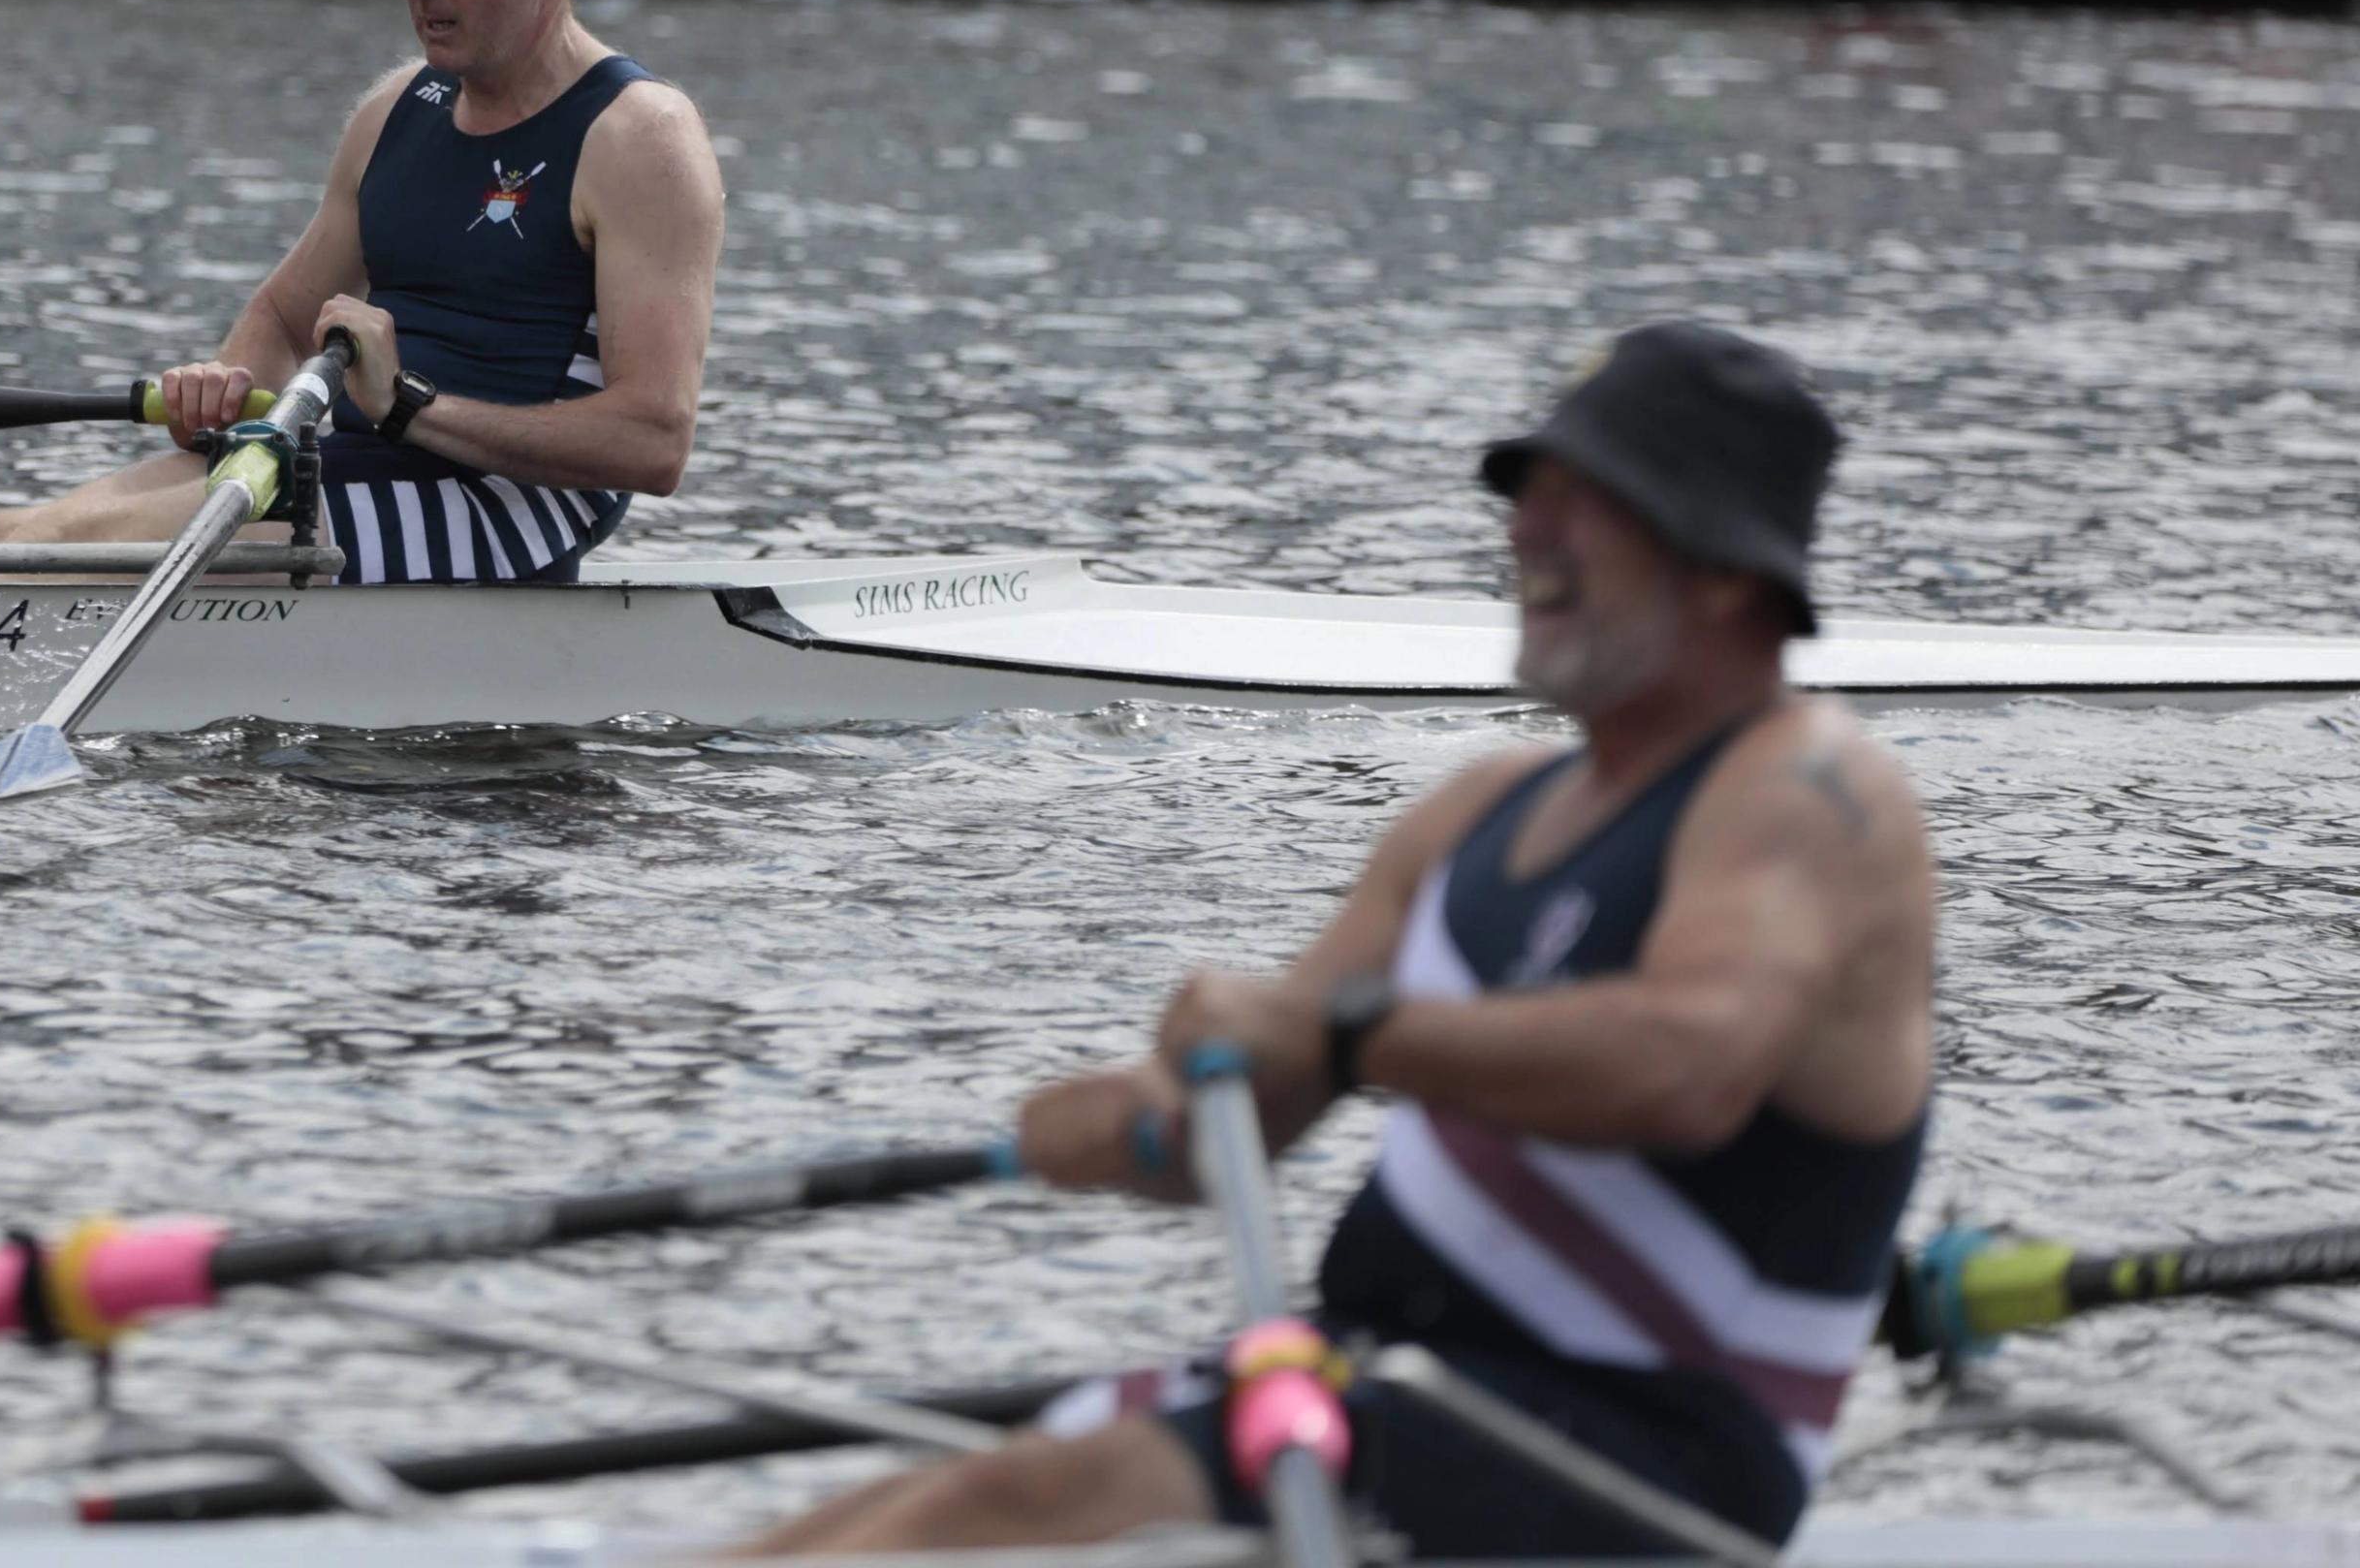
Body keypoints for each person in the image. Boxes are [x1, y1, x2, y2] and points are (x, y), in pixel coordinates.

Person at [744, 323, 1933, 1559]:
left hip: (1639, 1466)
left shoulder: (1806, 790)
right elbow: (1246, 1122)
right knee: (905, 1508)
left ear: (1723, 568)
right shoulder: (1472, 817)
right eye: (1531, 496)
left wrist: (1346, 1033)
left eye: (1587, 503)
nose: (1527, 529)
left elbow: (1685, 1068)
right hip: (1384, 1383)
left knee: (1028, 1505)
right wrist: (1126, 1121)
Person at [0, 0, 721, 583]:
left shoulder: (638, 136)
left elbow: (654, 443)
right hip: (352, 459)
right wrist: (227, 389)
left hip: (499, 508)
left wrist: (407, 406)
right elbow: (283, 318)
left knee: (48, 564)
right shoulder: (396, 109)